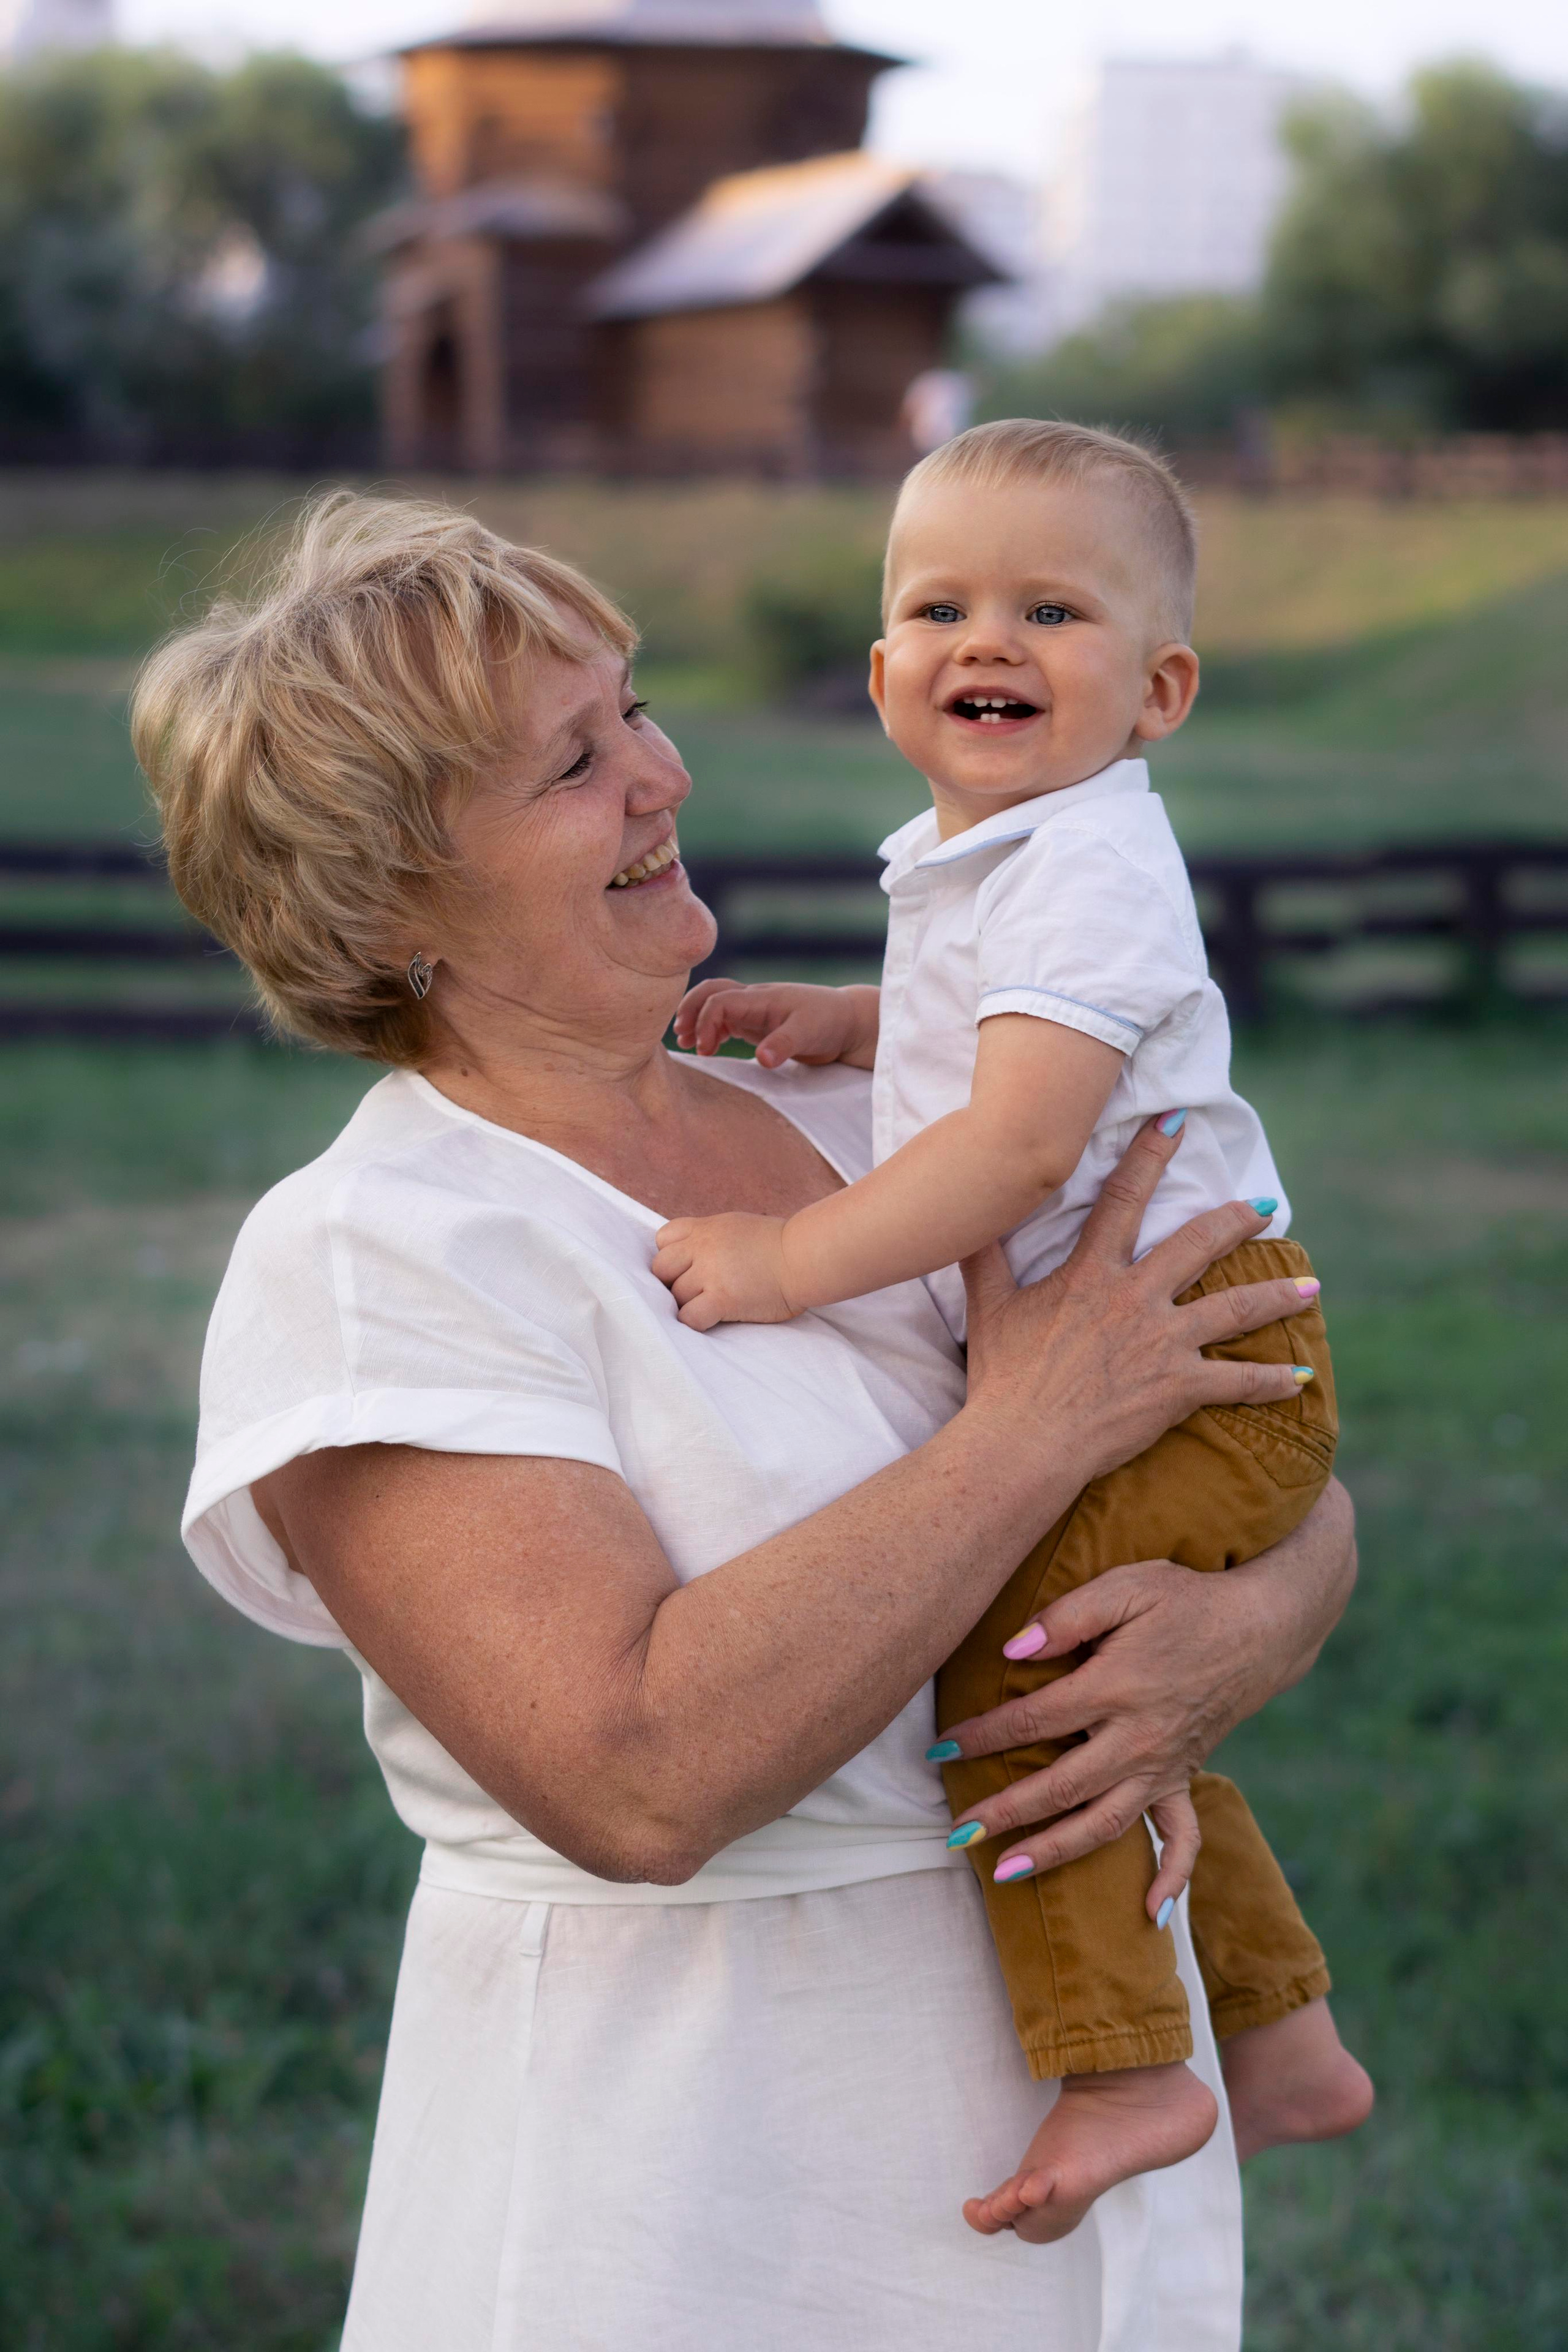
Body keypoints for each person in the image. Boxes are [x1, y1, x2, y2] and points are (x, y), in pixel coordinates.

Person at [130, 490, 1359, 2352]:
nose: (662, 775)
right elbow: (635, 1776)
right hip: (715, 2172)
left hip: (1088, 2124)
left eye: (631, 711)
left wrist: (1244, 1631)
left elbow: (1256, 1442)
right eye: (574, 764)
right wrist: (1026, 1433)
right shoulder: (382, 1253)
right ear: (387, 900)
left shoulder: (881, 1125)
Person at [655, 421, 1373, 2241]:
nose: (987, 640)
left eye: (1051, 611)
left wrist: (789, 1261)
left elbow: (1022, 1141)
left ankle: (1131, 2065)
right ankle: (1283, 2035)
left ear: (1160, 691)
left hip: (1194, 1353)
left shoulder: (1089, 864)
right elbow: (1004, 1024)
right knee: (1115, 1679)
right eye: (941, 608)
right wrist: (859, 1017)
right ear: (882, 670)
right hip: (1171, 1343)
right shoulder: (1006, 857)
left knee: (1027, 1672)